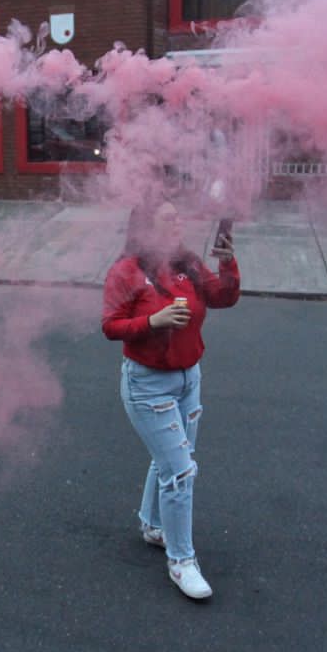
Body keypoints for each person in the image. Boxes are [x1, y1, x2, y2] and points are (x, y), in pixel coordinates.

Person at [102, 201, 240, 601]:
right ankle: (181, 560)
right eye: (169, 218)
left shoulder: (189, 263)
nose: (179, 221)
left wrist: (228, 263)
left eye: (180, 215)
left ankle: (152, 525)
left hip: (188, 378)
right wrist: (153, 322)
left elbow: (222, 297)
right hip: (147, 385)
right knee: (180, 472)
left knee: (171, 460)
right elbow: (110, 326)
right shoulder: (126, 270)